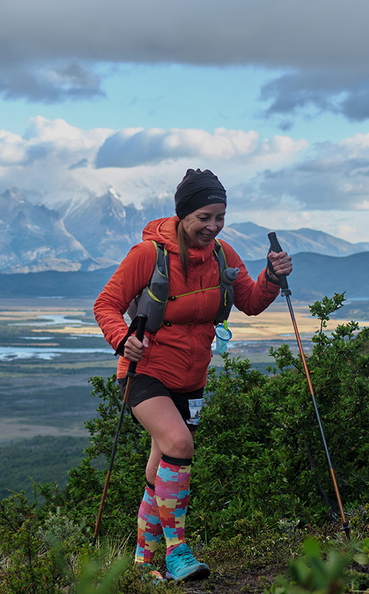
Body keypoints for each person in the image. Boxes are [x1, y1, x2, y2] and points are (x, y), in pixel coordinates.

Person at [94, 168, 292, 582]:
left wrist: (272, 277)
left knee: (159, 467)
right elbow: (106, 305)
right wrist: (122, 340)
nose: (213, 226)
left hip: (192, 379)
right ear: (183, 214)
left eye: (219, 217)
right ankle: (176, 551)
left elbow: (251, 302)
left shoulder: (224, 256)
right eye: (205, 217)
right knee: (180, 444)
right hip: (143, 372)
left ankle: (143, 565)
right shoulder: (147, 254)